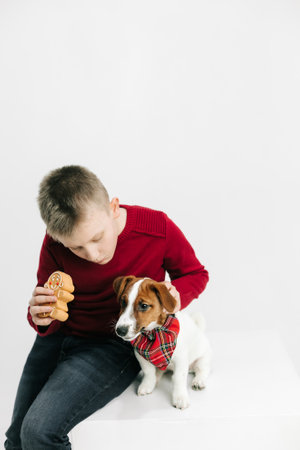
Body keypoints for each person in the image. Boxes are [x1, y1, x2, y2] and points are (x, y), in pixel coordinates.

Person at [4, 165, 209, 449]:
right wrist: (39, 315)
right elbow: (47, 307)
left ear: (113, 207)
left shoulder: (156, 228)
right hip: (55, 340)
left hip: (111, 344)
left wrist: (173, 297)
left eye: (97, 238)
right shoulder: (54, 242)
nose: (92, 255)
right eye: (76, 248)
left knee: (39, 434)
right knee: (15, 440)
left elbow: (195, 274)